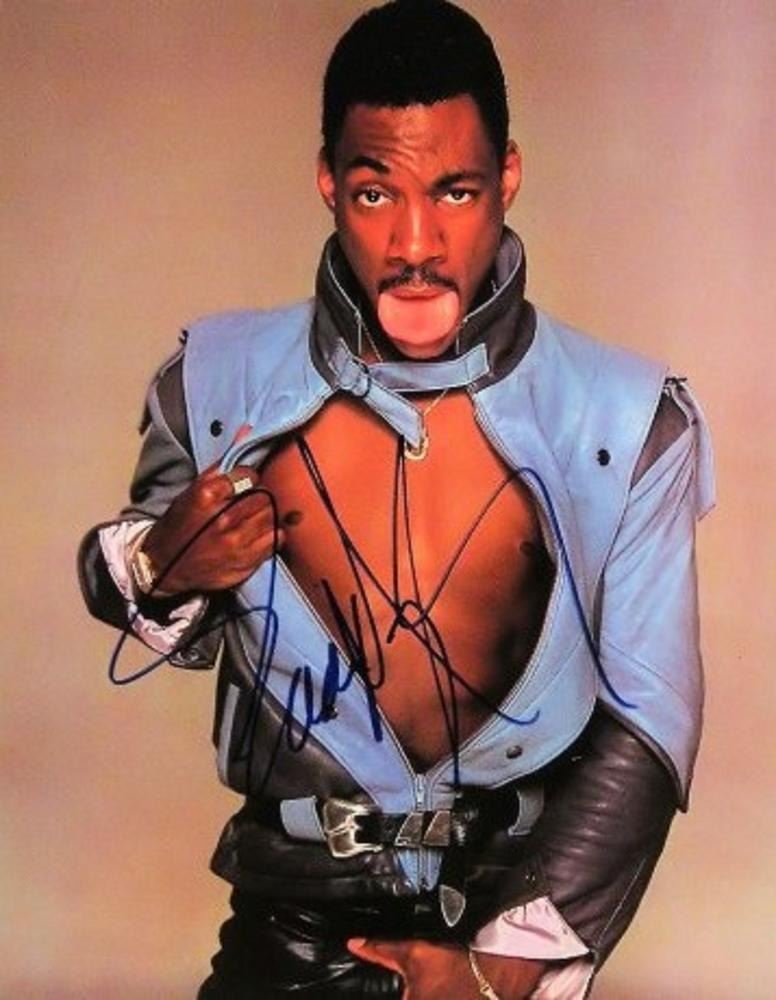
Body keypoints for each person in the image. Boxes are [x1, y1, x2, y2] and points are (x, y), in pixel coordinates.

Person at [78, 2, 714, 997]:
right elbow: (143, 580)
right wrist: (160, 565)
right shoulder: (213, 382)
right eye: (376, 193)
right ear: (328, 182)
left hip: (506, 921)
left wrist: (498, 970)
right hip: (287, 930)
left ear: (507, 176)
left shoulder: (628, 420)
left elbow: (650, 718)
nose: (416, 243)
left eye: (454, 191)